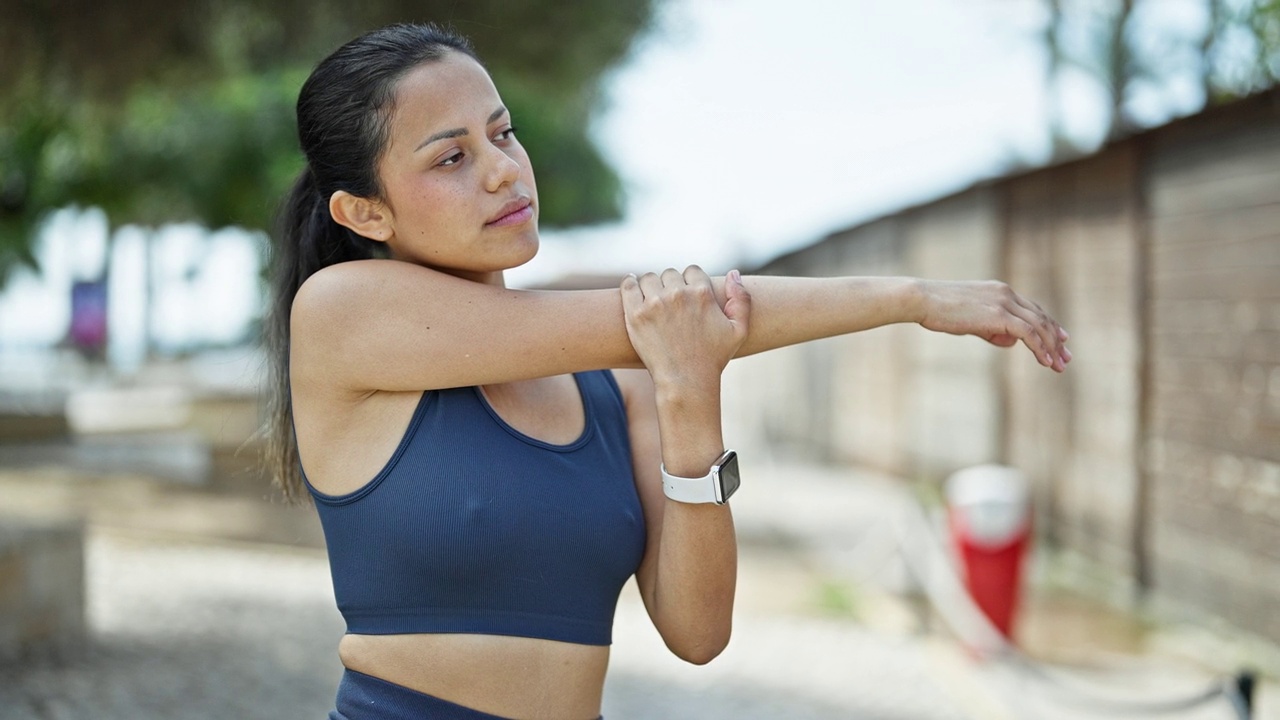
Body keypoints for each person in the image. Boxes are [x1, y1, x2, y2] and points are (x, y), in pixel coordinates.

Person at [262, 23, 1071, 720]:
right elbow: (680, 313)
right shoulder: (342, 313)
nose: (505, 170)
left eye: (503, 134)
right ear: (364, 212)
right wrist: (913, 296)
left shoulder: (619, 379)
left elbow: (697, 632)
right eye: (451, 158)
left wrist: (689, 394)